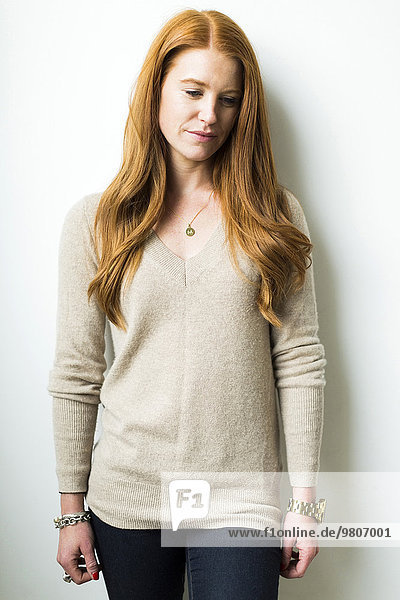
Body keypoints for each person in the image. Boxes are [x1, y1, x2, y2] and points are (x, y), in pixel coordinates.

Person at [47, 8, 327, 599]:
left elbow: (300, 360)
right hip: (129, 494)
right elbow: (77, 373)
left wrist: (305, 500)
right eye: (193, 91)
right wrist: (72, 509)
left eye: (228, 99)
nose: (209, 115)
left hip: (242, 498)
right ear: (156, 93)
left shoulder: (275, 216)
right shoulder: (96, 223)